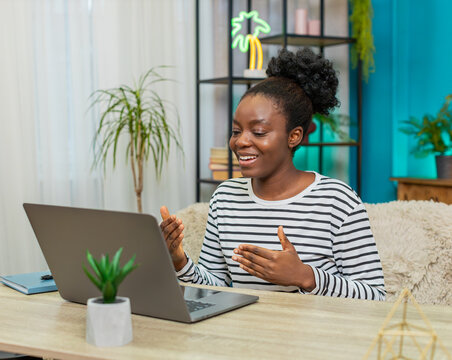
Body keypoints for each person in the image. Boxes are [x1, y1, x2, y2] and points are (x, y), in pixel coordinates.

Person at [160, 48, 385, 300]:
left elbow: (376, 296)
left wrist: (305, 276)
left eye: (258, 132)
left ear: (294, 136)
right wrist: (179, 261)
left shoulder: (336, 200)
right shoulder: (225, 198)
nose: (240, 141)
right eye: (236, 131)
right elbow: (213, 291)